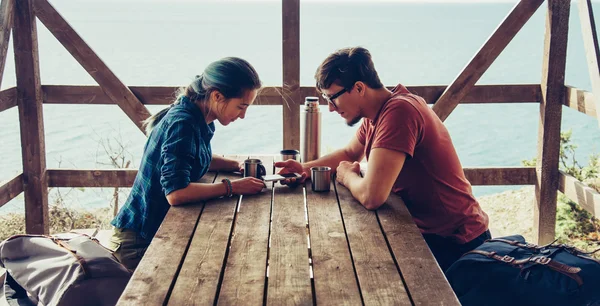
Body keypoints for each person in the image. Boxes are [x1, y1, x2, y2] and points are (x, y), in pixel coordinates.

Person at [276, 47, 490, 272]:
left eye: (332, 98)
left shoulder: (400, 112)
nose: (330, 108)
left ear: (359, 88)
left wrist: (348, 176)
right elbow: (349, 154)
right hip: (425, 233)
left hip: (457, 243)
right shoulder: (377, 113)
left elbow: (371, 196)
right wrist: (304, 168)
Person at [109, 57, 266, 270]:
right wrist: (231, 187)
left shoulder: (199, 115)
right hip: (139, 242)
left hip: (159, 231)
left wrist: (233, 164)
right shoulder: (183, 123)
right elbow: (176, 193)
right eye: (241, 106)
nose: (243, 115)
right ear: (217, 96)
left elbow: (189, 155)